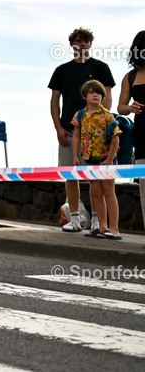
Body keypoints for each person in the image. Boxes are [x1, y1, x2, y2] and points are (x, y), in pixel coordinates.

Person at [48, 27, 114, 232]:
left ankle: (96, 220)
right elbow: (54, 100)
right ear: (71, 44)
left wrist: (101, 126)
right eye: (78, 41)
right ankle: (74, 219)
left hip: (94, 134)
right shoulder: (62, 70)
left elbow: (108, 98)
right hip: (68, 132)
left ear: (90, 44)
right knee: (70, 176)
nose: (82, 44)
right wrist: (58, 127)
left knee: (95, 178)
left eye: (85, 41)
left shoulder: (101, 68)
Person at [72, 80, 121, 239]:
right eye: (92, 92)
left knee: (109, 192)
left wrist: (110, 159)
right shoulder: (80, 115)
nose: (95, 95)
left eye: (98, 93)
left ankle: (114, 228)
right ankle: (102, 226)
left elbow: (115, 138)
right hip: (90, 159)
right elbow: (76, 135)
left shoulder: (107, 116)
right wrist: (75, 155)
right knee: (96, 193)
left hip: (106, 159)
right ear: (84, 96)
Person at [116, 30, 145, 230]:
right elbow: (120, 107)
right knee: (144, 185)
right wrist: (130, 108)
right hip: (142, 134)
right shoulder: (130, 76)